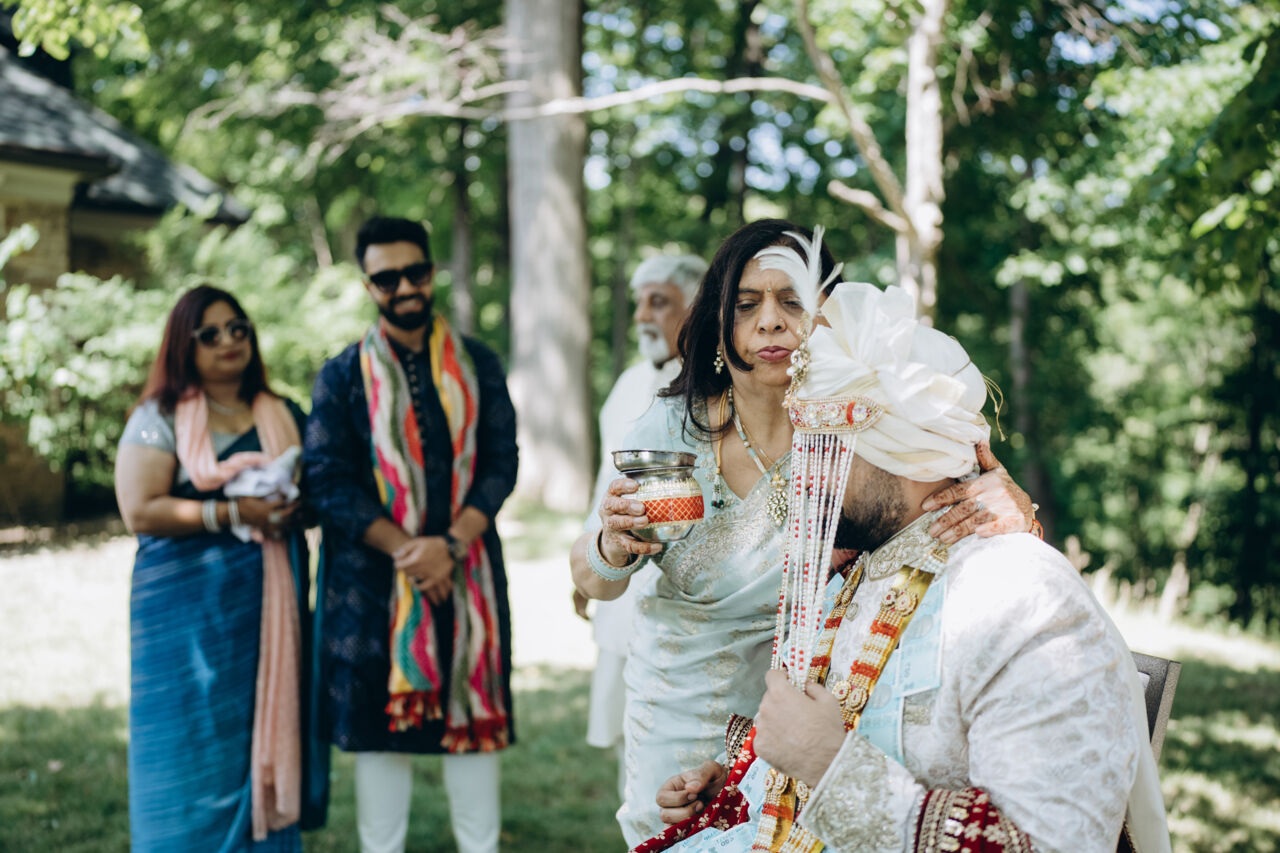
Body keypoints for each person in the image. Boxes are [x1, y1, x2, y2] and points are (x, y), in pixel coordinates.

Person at [645, 266, 1171, 852]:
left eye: (823, 454)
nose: (799, 482)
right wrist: (744, 789)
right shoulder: (860, 571)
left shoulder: (1020, 597)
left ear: (906, 453)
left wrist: (831, 768)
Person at [569, 220, 1038, 847]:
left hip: (818, 704)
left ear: (829, 319)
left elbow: (940, 502)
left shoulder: (854, 430)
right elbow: (593, 583)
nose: (770, 322)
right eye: (746, 305)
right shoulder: (671, 430)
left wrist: (1009, 505)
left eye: (791, 301)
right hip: (678, 702)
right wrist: (612, 543)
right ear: (719, 326)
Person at [303, 216, 518, 853]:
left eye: (415, 272)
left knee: (470, 725)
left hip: (466, 571)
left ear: (431, 272)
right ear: (368, 285)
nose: (403, 287)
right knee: (380, 736)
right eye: (386, 278)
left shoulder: (478, 363)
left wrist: (447, 547)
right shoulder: (342, 375)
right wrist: (409, 552)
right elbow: (327, 480)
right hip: (372, 584)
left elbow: (501, 463)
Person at [115, 285, 323, 852]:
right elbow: (139, 509)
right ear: (183, 345)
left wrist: (291, 509)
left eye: (238, 328)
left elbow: (320, 492)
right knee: (184, 736)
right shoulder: (157, 417)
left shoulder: (284, 413)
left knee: (259, 727)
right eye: (209, 334)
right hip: (183, 618)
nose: (228, 340)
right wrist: (234, 512)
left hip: (267, 610)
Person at [582, 252, 708, 794]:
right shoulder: (630, 382)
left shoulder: (717, 383)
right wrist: (590, 557)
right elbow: (603, 485)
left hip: (684, 591)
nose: (641, 316)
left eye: (659, 302)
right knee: (627, 737)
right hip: (617, 577)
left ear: (696, 307)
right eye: (640, 303)